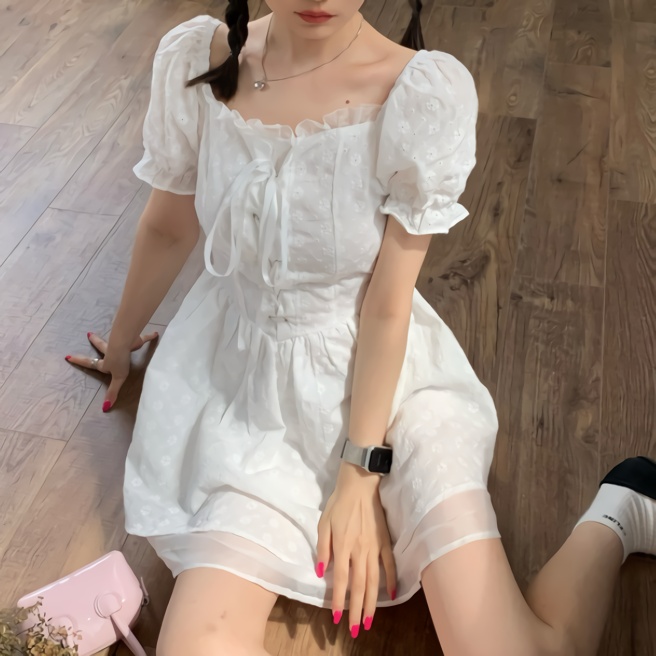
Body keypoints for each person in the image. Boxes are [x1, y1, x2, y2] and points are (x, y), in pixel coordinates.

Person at [65, 1, 656, 655]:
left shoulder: (419, 94)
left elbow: (386, 304)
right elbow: (168, 225)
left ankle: (620, 511)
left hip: (387, 389)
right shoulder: (197, 59)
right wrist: (121, 344)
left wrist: (360, 474)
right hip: (245, 396)